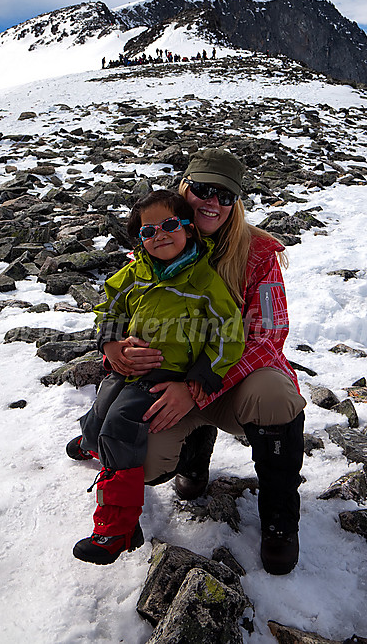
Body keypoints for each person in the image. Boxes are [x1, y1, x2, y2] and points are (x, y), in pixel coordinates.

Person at [98, 148, 306, 575]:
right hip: (167, 380)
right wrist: (114, 348)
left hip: (229, 382)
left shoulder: (261, 252)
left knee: (275, 396)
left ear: (236, 202)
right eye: (203, 189)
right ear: (184, 189)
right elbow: (121, 304)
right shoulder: (159, 237)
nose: (212, 201)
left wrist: (196, 388)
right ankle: (191, 460)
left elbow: (269, 334)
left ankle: (280, 518)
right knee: (147, 463)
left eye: (225, 195)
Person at [68, 189, 245, 565]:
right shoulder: (135, 273)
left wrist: (202, 376)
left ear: (188, 229)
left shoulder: (204, 283)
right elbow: (110, 306)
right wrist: (112, 344)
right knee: (100, 410)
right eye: (148, 231)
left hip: (166, 375)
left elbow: (230, 335)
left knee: (118, 427)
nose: (159, 236)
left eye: (169, 226)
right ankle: (91, 441)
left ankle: (117, 529)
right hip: (128, 366)